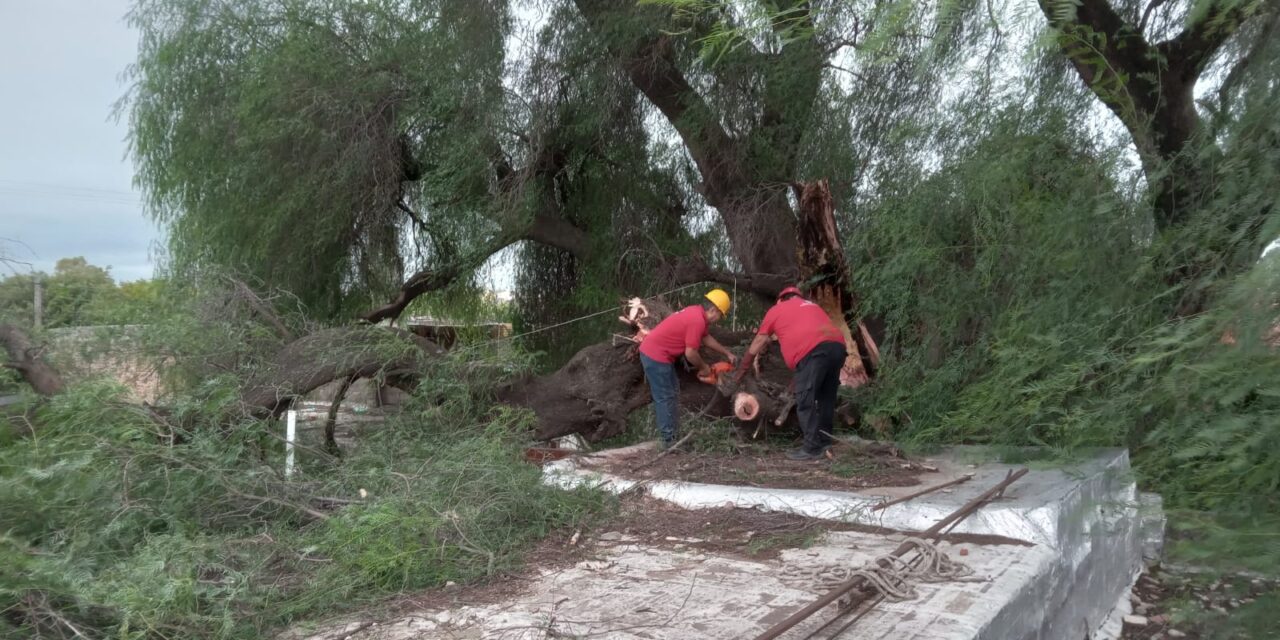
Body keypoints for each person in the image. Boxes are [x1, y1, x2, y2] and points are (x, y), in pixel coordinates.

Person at [734, 286, 847, 460]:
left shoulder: (777, 309)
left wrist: (744, 366)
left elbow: (760, 339)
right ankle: (825, 442)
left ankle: (811, 448)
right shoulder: (812, 306)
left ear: (781, 299)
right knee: (826, 399)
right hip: (837, 347)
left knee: (804, 401)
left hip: (813, 352)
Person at [638, 289, 736, 447]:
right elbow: (690, 353)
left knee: (673, 392)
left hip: (659, 355)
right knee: (664, 397)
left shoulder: (696, 313)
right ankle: (668, 441)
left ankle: (673, 434)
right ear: (713, 310)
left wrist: (727, 352)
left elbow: (706, 338)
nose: (719, 319)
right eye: (720, 315)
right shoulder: (696, 320)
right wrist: (704, 368)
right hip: (655, 356)